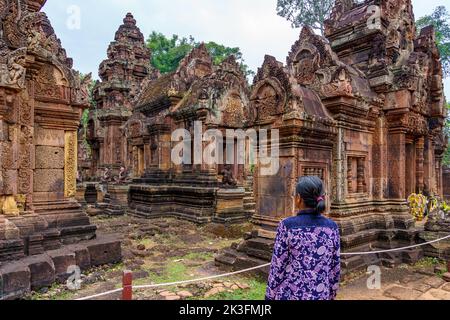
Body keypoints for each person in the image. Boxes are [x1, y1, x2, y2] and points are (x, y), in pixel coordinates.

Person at [266, 176, 341, 300]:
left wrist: (270, 296)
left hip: (290, 294)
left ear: (299, 198)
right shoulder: (332, 228)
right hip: (320, 295)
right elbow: (335, 268)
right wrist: (331, 294)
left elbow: (277, 266)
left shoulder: (287, 226)